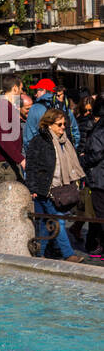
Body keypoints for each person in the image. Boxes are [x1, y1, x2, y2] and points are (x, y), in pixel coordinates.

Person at [25, 108, 86, 262]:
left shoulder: (65, 141)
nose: (63, 127)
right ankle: (68, 254)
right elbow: (31, 166)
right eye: (59, 124)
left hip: (62, 188)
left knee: (48, 221)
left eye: (64, 124)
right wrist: (32, 188)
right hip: (46, 189)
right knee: (57, 220)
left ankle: (40, 253)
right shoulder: (39, 141)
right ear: (49, 124)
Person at [0, 74, 25, 185]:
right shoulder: (4, 108)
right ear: (15, 88)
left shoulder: (7, 107)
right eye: (21, 89)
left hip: (9, 162)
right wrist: (21, 159)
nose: (22, 92)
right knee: (8, 200)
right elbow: (5, 140)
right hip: (4, 164)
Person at [82, 94, 104, 261]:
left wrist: (83, 159)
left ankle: (99, 246)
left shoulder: (100, 129)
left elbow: (95, 153)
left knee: (99, 212)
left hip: (99, 177)